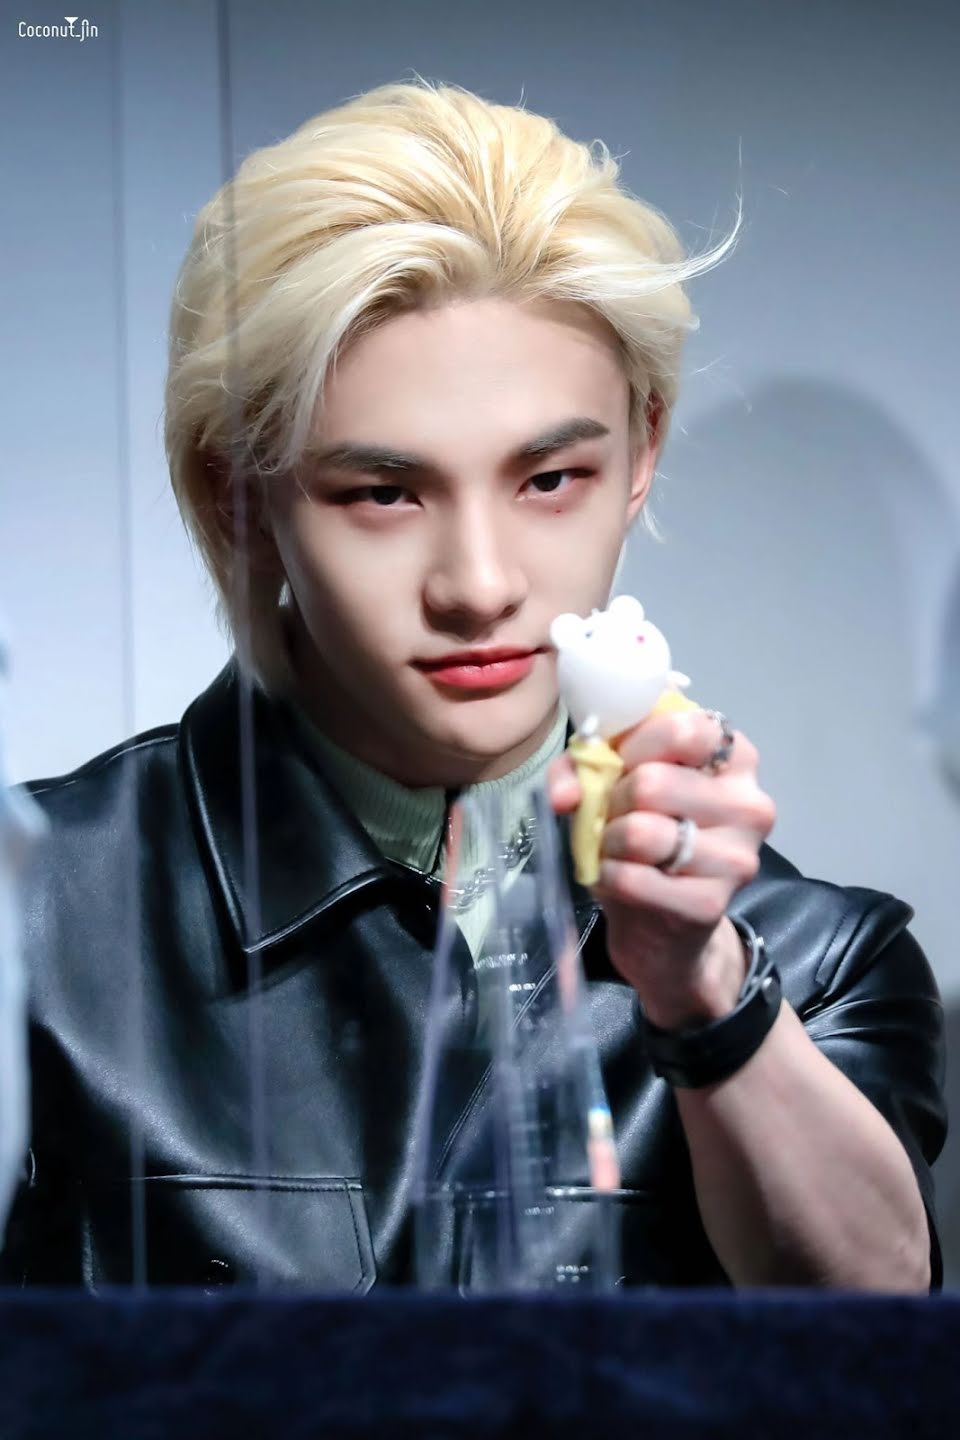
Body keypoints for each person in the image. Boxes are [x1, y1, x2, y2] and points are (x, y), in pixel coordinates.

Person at [1, 79, 946, 1292]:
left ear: (643, 451)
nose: (481, 585)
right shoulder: (34, 923)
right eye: (385, 493)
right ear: (240, 495)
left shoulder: (815, 958)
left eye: (548, 480)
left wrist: (709, 992)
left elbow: (878, 1340)